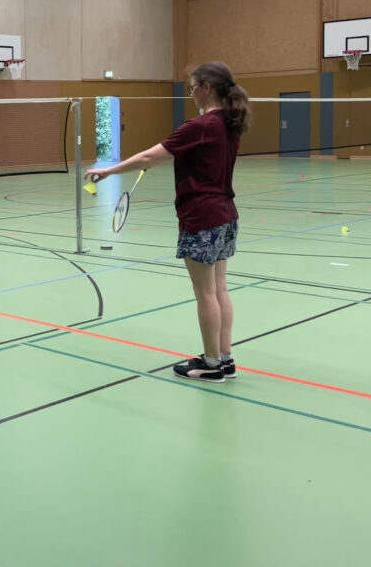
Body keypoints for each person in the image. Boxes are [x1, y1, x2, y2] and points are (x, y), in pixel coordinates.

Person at [86, 62, 251, 383]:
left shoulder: (201, 125)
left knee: (205, 294)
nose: (191, 94)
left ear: (206, 87)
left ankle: (211, 364)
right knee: (219, 290)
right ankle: (225, 359)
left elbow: (149, 157)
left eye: (192, 87)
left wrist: (107, 171)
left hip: (201, 217)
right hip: (226, 215)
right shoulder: (229, 124)